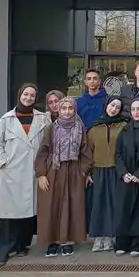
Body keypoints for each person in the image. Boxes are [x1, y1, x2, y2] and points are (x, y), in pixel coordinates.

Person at [0, 83, 51, 265]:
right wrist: (3, 161)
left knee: (28, 210)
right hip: (11, 172)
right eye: (25, 94)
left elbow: (49, 142)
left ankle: (22, 244)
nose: (28, 98)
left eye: (32, 95)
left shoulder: (42, 119)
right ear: (20, 95)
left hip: (33, 170)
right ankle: (3, 250)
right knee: (8, 213)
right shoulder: (7, 119)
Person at [35, 97, 92, 257]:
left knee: (71, 206)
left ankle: (67, 241)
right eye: (64, 108)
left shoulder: (80, 128)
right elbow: (43, 151)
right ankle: (52, 241)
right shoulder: (51, 128)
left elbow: (85, 151)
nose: (67, 111)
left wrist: (83, 171)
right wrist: (41, 174)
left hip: (73, 170)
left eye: (70, 108)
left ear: (75, 110)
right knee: (51, 206)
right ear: (59, 111)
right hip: (53, 170)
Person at [87, 95, 128, 252]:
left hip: (117, 170)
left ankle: (111, 237)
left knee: (114, 204)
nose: (114, 109)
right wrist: (87, 172)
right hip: (98, 170)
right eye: (112, 105)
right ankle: (99, 237)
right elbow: (88, 152)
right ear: (106, 106)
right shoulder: (94, 128)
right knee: (99, 204)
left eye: (118, 107)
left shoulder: (124, 126)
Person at [114, 98, 139, 256]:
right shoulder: (125, 130)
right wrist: (123, 173)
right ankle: (122, 243)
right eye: (133, 109)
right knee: (123, 209)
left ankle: (138, 244)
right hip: (126, 178)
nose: (136, 112)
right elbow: (118, 154)